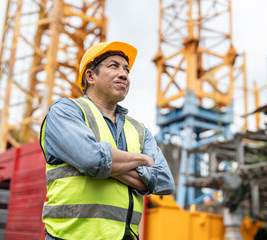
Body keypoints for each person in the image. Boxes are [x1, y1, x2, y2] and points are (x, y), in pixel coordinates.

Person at [39, 41, 175, 240]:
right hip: (71, 236)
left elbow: (164, 181)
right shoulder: (65, 111)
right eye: (114, 66)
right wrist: (142, 160)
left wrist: (105, 167)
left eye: (126, 69)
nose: (124, 74)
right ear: (90, 76)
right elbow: (91, 159)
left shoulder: (138, 129)